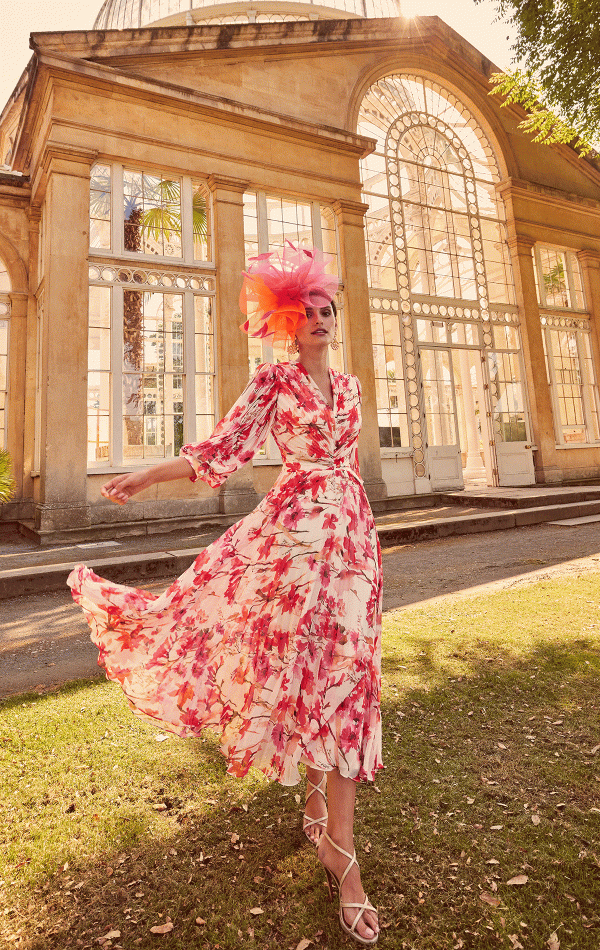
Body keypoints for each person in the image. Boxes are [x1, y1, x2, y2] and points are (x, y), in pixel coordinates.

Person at [68, 242, 382, 944]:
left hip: (353, 547)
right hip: (293, 542)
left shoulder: (356, 388)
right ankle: (342, 854)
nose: (320, 318)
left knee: (349, 678)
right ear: (286, 322)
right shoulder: (274, 383)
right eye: (306, 311)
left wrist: (359, 540)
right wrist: (148, 474)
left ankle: (330, 830)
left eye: (327, 308)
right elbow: (221, 451)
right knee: (306, 670)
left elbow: (350, 470)